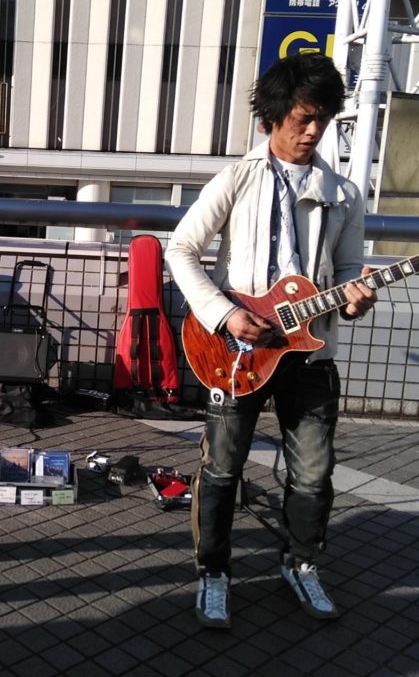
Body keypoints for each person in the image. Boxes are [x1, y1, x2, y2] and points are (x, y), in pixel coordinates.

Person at [165, 52, 377, 629]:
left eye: (322, 119)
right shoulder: (237, 177)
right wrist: (224, 315)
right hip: (239, 350)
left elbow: (349, 270)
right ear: (271, 119)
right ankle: (213, 572)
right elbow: (181, 249)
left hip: (312, 355)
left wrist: (355, 299)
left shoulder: (344, 193)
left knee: (313, 474)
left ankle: (302, 563)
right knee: (222, 469)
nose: (313, 131)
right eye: (302, 119)